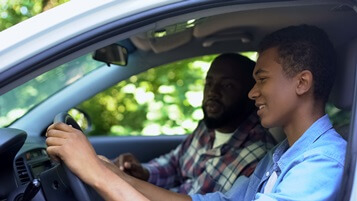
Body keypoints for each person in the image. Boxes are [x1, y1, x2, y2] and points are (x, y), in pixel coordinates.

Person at [46, 24, 346, 201]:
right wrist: (111, 172)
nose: (252, 92)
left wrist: (96, 175)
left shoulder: (323, 162)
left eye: (262, 79)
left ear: (302, 82)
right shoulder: (281, 155)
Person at [112, 53, 276, 194]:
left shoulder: (258, 156)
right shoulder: (209, 126)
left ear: (251, 94)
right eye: (209, 83)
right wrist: (144, 173)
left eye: (227, 85)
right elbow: (175, 163)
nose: (212, 92)